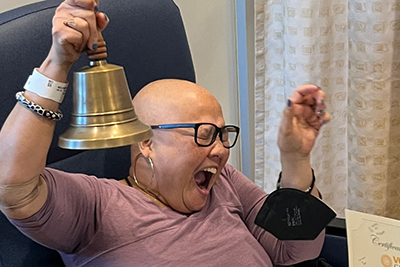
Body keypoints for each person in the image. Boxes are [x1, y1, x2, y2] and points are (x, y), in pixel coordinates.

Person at [0, 0, 330, 266]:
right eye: (203, 133)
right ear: (146, 142)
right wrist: (57, 63)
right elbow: (14, 187)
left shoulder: (222, 181)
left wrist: (295, 158)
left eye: (221, 133)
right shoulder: (98, 207)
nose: (219, 150)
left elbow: (293, 251)